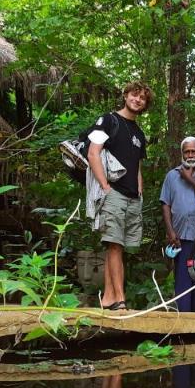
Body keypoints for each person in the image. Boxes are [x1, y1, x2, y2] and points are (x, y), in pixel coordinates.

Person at [86, 82, 151, 310]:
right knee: (114, 244)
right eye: (134, 95)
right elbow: (93, 153)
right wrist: (105, 186)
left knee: (118, 247)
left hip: (133, 197)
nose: (137, 100)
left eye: (142, 98)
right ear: (126, 95)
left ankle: (108, 299)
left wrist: (140, 191)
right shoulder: (109, 120)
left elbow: (138, 165)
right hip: (113, 192)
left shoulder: (139, 134)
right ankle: (120, 300)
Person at [159, 136, 195, 313]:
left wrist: (189, 178)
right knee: (182, 278)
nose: (191, 155)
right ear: (182, 154)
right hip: (180, 236)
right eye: (187, 152)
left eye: (194, 151)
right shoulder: (172, 175)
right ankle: (183, 318)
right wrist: (170, 231)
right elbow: (165, 203)